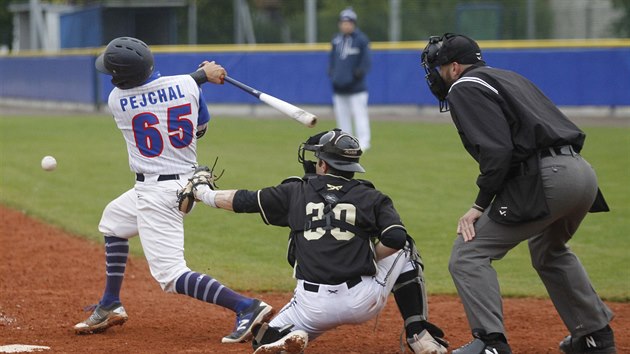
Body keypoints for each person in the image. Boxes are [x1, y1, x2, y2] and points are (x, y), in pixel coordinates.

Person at [420, 33, 616, 354]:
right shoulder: (508, 77)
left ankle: (490, 344)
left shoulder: (463, 86)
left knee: (468, 255)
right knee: (548, 251)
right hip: (582, 174)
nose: (437, 75)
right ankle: (596, 337)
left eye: (439, 68)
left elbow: (497, 152)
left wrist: (478, 205)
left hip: (548, 178)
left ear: (455, 67)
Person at [73, 37, 273, 344]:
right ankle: (111, 303)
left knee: (170, 275)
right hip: (185, 182)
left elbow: (159, 92)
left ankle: (246, 306)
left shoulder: (117, 100)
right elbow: (201, 127)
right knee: (113, 220)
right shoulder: (188, 86)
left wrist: (201, 76)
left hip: (158, 193)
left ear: (122, 76)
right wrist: (203, 77)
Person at [184, 129, 448, 354]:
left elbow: (242, 201)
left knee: (264, 339)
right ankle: (418, 334)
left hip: (313, 306)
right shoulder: (372, 197)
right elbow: (395, 237)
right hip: (361, 301)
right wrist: (368, 258)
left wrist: (203, 192)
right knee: (406, 246)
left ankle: (286, 337)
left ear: (322, 165)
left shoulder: (295, 191)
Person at [328, 7, 372, 151]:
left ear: (354, 23)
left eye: (348, 22)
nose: (345, 25)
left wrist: (357, 74)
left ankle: (363, 143)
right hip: (339, 87)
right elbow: (332, 60)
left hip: (356, 88)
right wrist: (333, 74)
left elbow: (366, 62)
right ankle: (344, 142)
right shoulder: (336, 40)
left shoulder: (361, 40)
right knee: (342, 118)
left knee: (360, 116)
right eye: (343, 22)